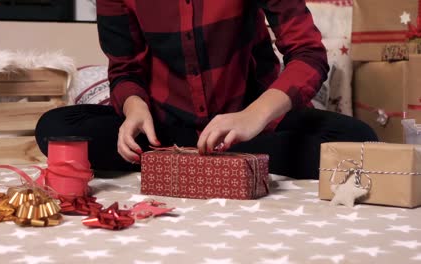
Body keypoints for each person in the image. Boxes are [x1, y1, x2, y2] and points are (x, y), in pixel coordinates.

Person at [35, 0, 377, 179]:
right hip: (165, 127)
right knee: (56, 129)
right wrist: (134, 109)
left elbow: (308, 54)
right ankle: (219, 163)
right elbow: (125, 69)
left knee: (359, 142)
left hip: (247, 125)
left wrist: (252, 117)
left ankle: (180, 163)